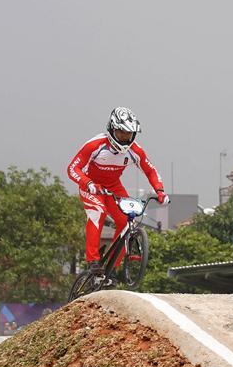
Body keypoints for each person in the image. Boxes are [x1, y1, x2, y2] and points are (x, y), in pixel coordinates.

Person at [67, 107, 169, 270]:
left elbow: (150, 170)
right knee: (98, 212)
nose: (125, 138)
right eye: (121, 133)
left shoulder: (135, 150)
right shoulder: (95, 145)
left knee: (127, 221)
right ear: (112, 129)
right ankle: (92, 261)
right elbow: (72, 168)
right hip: (91, 186)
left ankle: (111, 267)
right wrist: (88, 183)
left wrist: (160, 190)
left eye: (128, 134)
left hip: (113, 187)